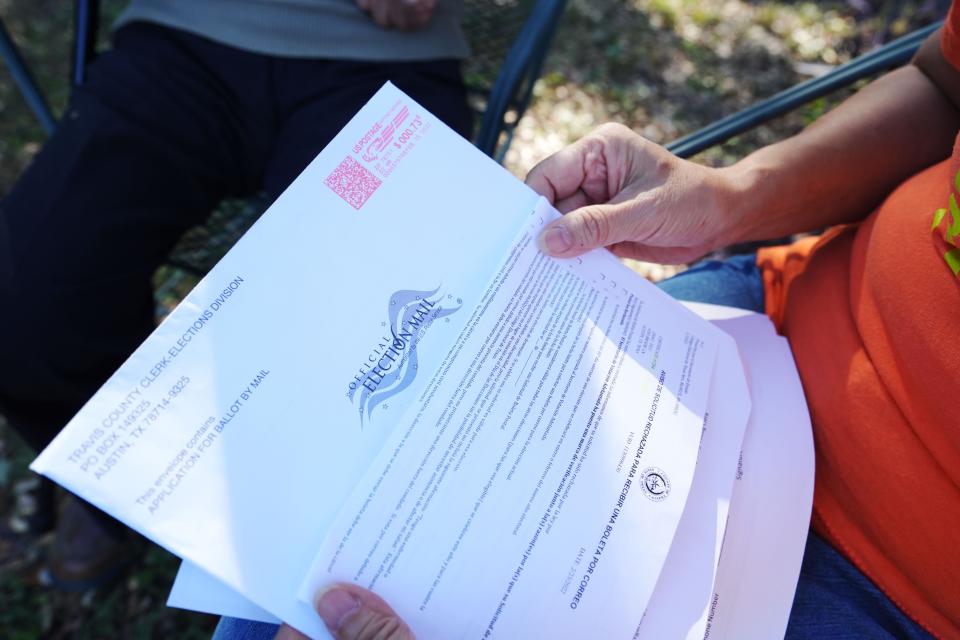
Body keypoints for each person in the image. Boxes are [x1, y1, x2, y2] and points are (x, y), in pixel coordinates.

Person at [219, 3, 960, 640]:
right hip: (768, 324)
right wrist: (734, 199)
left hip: (886, 589)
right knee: (293, 580)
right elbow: (941, 87)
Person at [0, 0, 473, 589]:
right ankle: (119, 482)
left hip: (382, 52)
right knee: (23, 312)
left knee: (371, 341)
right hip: (184, 34)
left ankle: (316, 553)